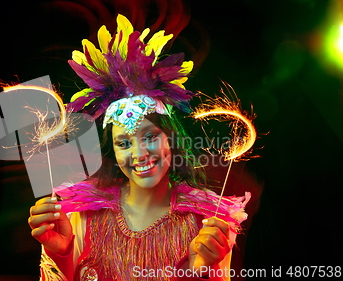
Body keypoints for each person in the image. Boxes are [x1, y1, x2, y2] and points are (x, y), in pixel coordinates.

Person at [28, 14, 250, 280]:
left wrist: (203, 270)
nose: (139, 154)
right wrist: (61, 254)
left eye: (150, 137)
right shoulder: (80, 218)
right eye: (123, 143)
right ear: (113, 151)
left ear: (171, 139)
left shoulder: (206, 223)